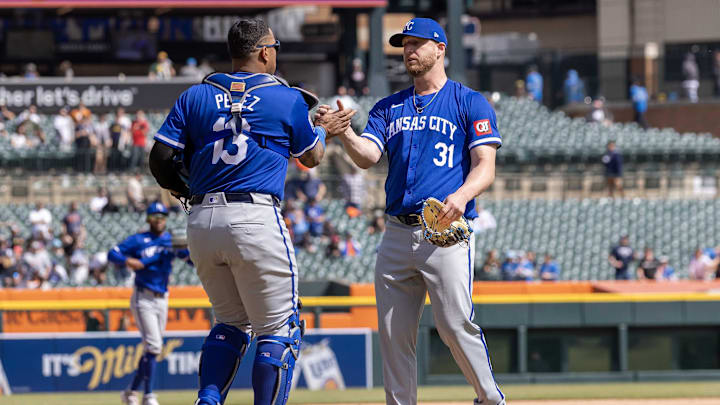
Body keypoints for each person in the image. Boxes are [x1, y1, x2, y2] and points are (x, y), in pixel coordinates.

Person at [147, 16, 352, 405]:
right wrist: (326, 129)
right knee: (279, 329)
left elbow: (159, 159)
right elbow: (312, 157)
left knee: (229, 324)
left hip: (203, 220)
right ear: (263, 52)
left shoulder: (196, 95)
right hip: (255, 216)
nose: (275, 54)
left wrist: (185, 190)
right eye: (274, 48)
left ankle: (208, 400)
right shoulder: (286, 97)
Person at [315, 17, 505, 405]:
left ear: (441, 49)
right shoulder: (388, 107)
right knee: (393, 335)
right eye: (405, 44)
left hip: (445, 232)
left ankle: (490, 399)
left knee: (454, 325)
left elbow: (485, 165)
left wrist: (463, 195)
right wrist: (344, 133)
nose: (409, 50)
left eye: (418, 43)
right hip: (396, 234)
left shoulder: (468, 101)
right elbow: (368, 156)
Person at [109, 202, 190, 405]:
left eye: (162, 216)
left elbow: (187, 259)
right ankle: (149, 395)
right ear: (148, 218)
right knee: (154, 346)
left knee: (151, 349)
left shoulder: (170, 240)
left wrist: (192, 253)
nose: (159, 219)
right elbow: (113, 253)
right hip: (143, 297)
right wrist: (129, 261)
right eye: (155, 216)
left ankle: (130, 392)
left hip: (163, 297)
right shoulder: (139, 239)